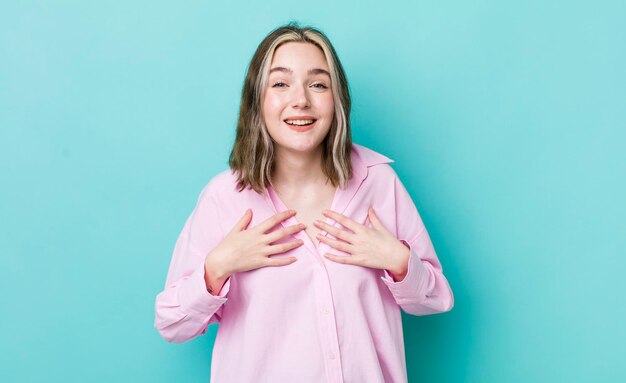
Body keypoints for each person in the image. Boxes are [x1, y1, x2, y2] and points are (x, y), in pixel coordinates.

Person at [154, 21, 454, 383]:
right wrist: (217, 267)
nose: (301, 100)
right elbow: (171, 324)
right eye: (280, 83)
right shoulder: (224, 198)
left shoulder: (379, 183)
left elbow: (436, 299)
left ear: (336, 99)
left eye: (318, 84)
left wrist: (398, 261)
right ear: (257, 99)